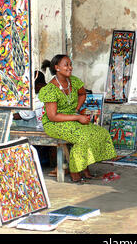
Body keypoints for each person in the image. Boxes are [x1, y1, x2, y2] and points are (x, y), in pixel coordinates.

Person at [38, 54, 117, 182]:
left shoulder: (73, 81)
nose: (70, 67)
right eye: (66, 65)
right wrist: (77, 117)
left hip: (72, 118)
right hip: (54, 123)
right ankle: (75, 170)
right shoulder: (50, 89)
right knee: (82, 137)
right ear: (57, 68)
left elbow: (82, 93)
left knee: (99, 132)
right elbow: (52, 116)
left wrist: (76, 110)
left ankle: (84, 167)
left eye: (70, 64)